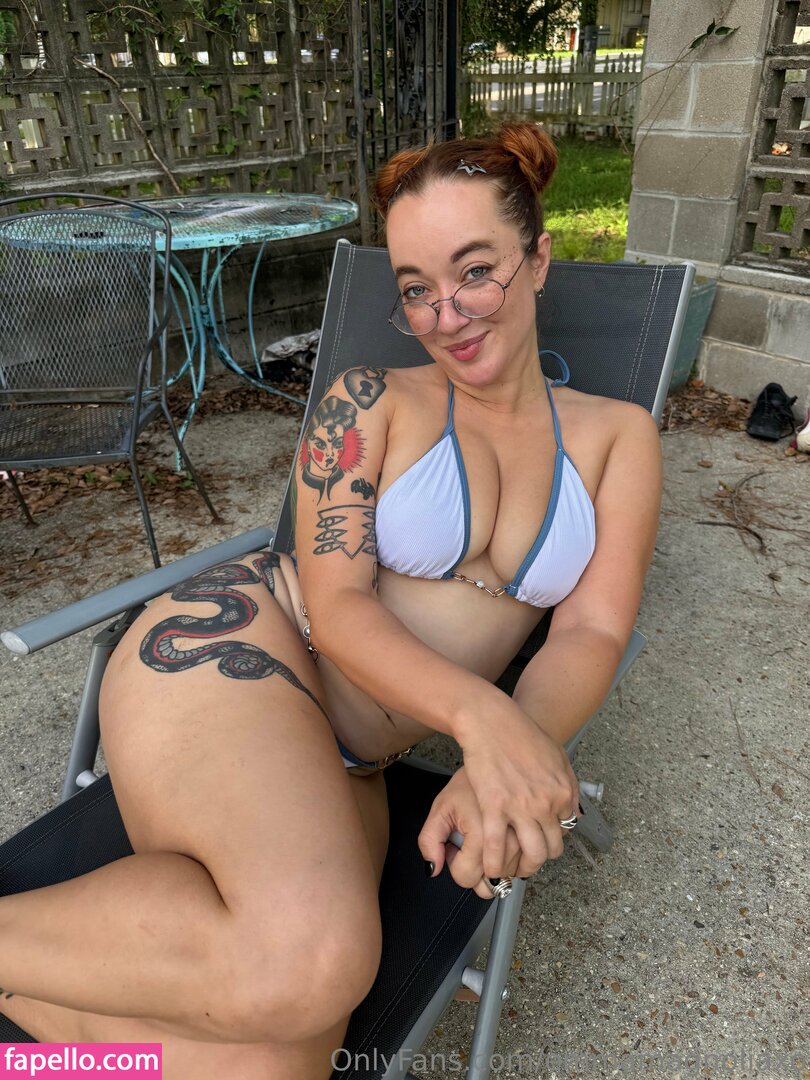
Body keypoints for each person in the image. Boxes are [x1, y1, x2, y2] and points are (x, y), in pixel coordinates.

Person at [0, 122, 661, 1078]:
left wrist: (513, 749)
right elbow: (338, 605)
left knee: (286, 1057)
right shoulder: (369, 400)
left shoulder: (619, 437)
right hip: (239, 659)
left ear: (540, 258)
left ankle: (31, 1038)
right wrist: (482, 721)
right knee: (310, 961)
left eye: (477, 271)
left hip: (351, 759)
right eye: (417, 289)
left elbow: (591, 629)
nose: (448, 314)